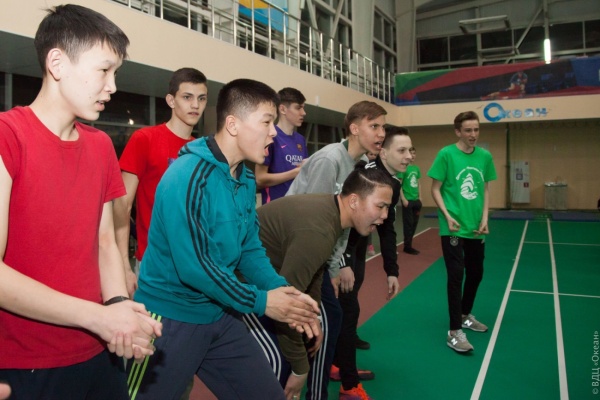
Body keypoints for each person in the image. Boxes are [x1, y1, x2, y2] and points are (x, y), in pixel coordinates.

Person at [0, 5, 162, 399]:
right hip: (28, 362)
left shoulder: (101, 145)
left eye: (115, 73)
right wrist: (99, 317)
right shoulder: (8, 136)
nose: (112, 86)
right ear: (57, 63)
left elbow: (105, 241)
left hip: (97, 354)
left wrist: (118, 307)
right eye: (104, 70)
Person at [126, 79, 320, 400]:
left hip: (219, 313)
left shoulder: (244, 176)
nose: (274, 133)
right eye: (266, 122)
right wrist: (264, 302)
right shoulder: (187, 175)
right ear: (233, 125)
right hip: (169, 319)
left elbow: (249, 249)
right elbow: (196, 268)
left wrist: (284, 292)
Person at [246, 163, 394, 400]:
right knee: (277, 363)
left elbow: (315, 272)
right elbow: (287, 305)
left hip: (266, 277)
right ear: (354, 201)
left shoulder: (331, 212)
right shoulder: (319, 231)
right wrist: (300, 370)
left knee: (309, 335)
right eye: (380, 206)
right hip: (238, 283)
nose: (385, 215)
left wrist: (313, 318)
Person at [286, 100, 387, 400]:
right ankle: (310, 388)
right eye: (374, 126)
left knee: (329, 318)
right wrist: (330, 268)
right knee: (319, 319)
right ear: (354, 128)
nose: (381, 133)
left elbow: (342, 224)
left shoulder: (358, 165)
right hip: (296, 249)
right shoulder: (330, 160)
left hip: (319, 253)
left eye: (383, 127)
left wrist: (334, 266)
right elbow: (315, 219)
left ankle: (320, 382)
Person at [114, 67, 208, 296]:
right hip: (153, 263)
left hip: (193, 265)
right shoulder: (145, 139)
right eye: (187, 97)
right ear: (171, 100)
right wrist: (123, 266)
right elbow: (122, 206)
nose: (195, 105)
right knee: (148, 321)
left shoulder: (203, 150)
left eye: (201, 98)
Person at [333, 126, 412, 400]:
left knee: (347, 309)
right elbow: (337, 213)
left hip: (355, 249)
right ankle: (348, 383)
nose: (409, 156)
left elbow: (387, 230)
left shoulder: (394, 184)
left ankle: (339, 362)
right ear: (384, 153)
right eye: (402, 150)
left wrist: (392, 271)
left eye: (410, 150)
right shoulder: (361, 173)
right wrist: (341, 262)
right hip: (339, 248)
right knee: (346, 310)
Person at [427, 111, 497, 353]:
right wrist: (447, 216)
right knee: (456, 276)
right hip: (453, 228)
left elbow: (485, 189)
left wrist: (485, 218)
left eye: (476, 129)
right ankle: (454, 331)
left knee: (476, 273)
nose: (473, 134)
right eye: (468, 130)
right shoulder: (446, 154)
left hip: (476, 227)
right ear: (458, 131)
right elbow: (435, 189)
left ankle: (465, 314)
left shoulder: (485, 156)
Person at [256, 87, 308, 204]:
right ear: (283, 109)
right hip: (275, 208)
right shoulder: (270, 136)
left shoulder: (301, 139)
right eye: (298, 108)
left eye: (303, 108)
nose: (303, 113)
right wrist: (295, 172)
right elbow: (260, 179)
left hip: (297, 206)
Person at [398, 145, 422, 255]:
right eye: (411, 153)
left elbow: (418, 183)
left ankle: (409, 244)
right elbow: (399, 184)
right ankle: (407, 246)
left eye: (414, 153)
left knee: (414, 224)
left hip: (416, 200)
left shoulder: (416, 168)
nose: (413, 156)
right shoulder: (403, 168)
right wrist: (403, 199)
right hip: (408, 200)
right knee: (408, 224)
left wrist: (420, 197)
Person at [365, 151, 379, 257]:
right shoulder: (361, 165)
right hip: (363, 198)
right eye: (371, 155)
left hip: (372, 199)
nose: (373, 157)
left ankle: (369, 244)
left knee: (370, 223)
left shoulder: (376, 167)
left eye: (375, 155)